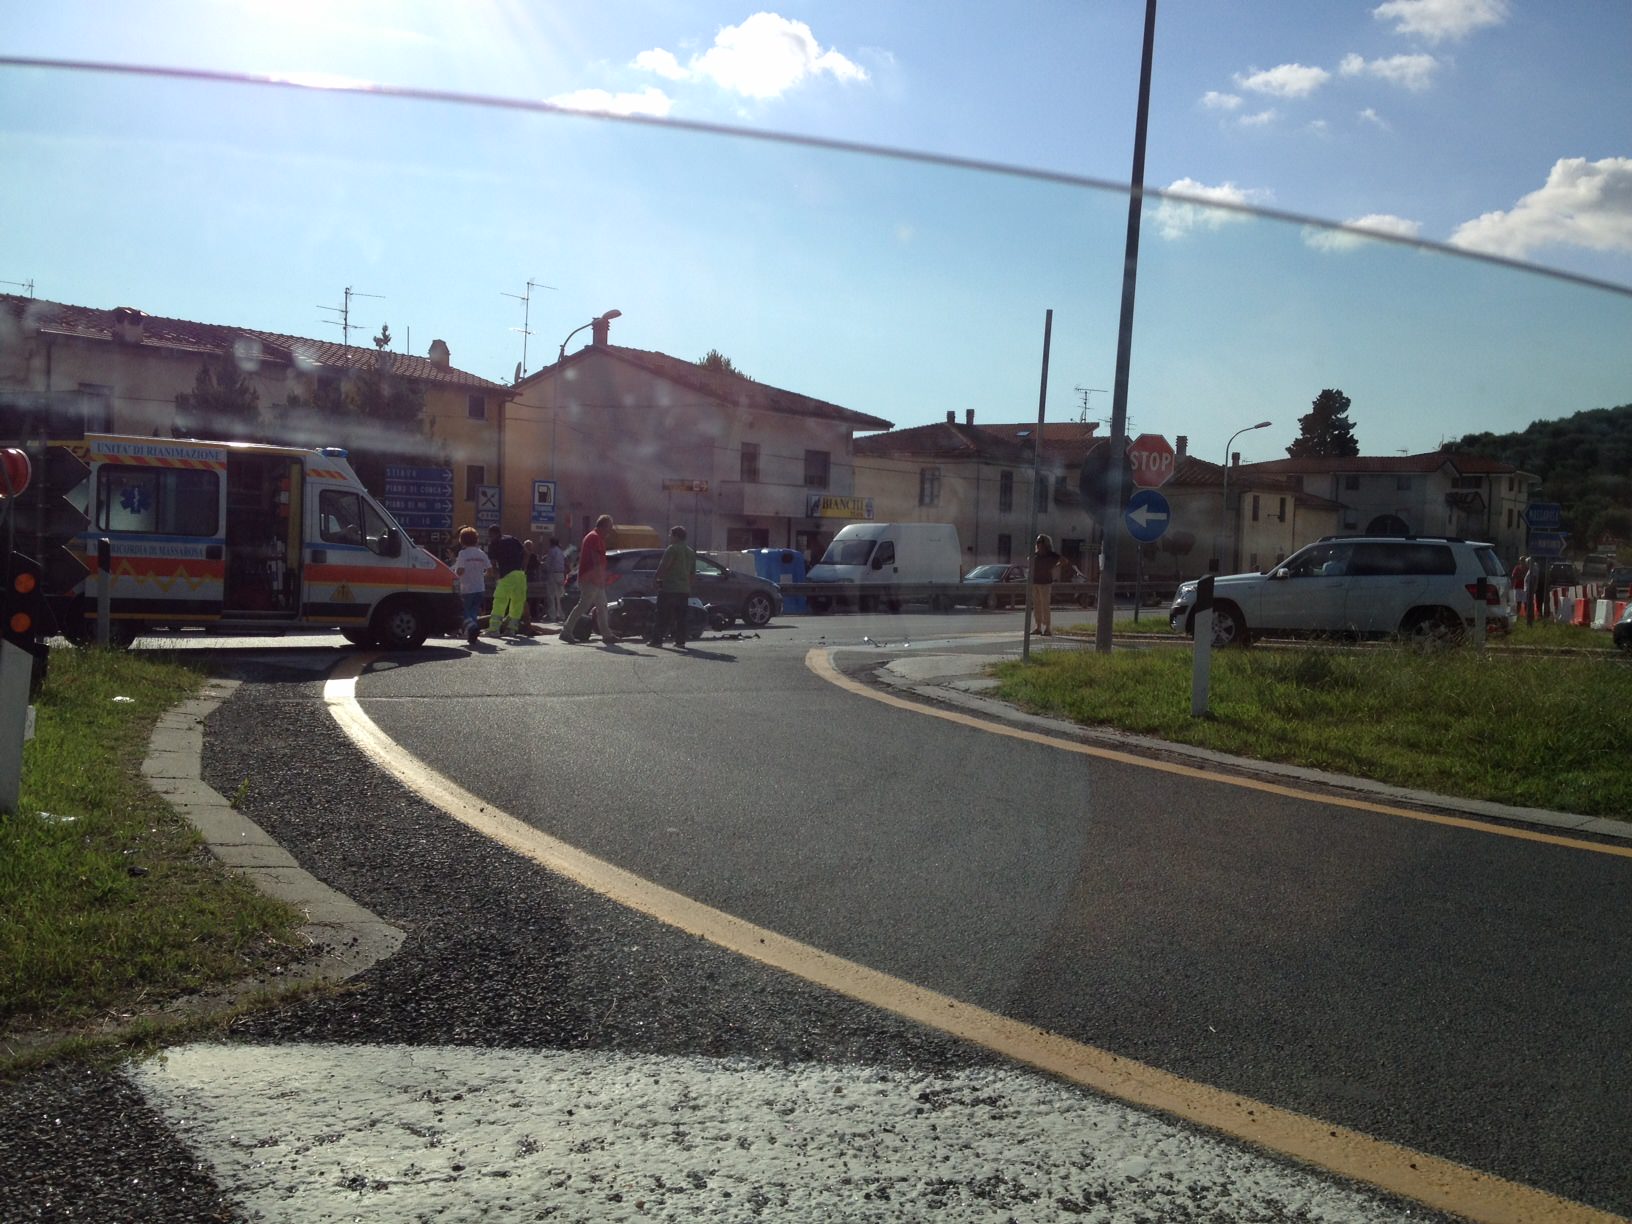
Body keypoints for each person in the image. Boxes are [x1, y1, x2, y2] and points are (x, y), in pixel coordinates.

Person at [560, 514, 620, 644]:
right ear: (604, 526)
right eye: (610, 527)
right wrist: (601, 576)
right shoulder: (595, 538)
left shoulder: (594, 537)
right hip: (591, 579)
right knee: (584, 605)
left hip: (593, 579)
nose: (610, 530)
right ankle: (566, 630)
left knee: (602, 606)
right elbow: (596, 559)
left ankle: (607, 634)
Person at [647, 525, 696, 648]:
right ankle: (680, 641)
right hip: (683, 589)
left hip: (669, 588)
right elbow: (692, 573)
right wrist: (688, 586)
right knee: (681, 617)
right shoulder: (690, 552)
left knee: (662, 615)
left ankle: (657, 640)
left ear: (676, 536)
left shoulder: (672, 549)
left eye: (671, 535)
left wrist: (656, 579)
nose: (669, 537)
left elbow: (664, 566)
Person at [450, 525, 491, 648]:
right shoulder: (481, 554)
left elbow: (460, 571)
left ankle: (472, 628)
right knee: (473, 611)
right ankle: (472, 632)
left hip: (466, 588)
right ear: (476, 539)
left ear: (461, 540)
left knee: (465, 612)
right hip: (480, 587)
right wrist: (481, 574)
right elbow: (490, 571)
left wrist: (455, 574)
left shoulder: (463, 554)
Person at [486, 528, 533, 636]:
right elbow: (527, 552)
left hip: (506, 575)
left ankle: (494, 629)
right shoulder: (512, 539)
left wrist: (496, 575)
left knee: (500, 601)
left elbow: (493, 564)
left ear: (492, 534)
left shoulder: (493, 544)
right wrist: (524, 567)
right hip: (520, 575)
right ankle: (511, 629)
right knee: (517, 602)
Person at [1031, 532, 1060, 636]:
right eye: (1037, 542)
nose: (1038, 544)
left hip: (1045, 583)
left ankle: (1047, 628)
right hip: (1035, 582)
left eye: (1040, 542)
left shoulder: (1051, 555)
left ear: (1045, 543)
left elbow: (1064, 561)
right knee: (1036, 605)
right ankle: (1038, 627)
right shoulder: (1035, 554)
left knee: (1045, 605)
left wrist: (1053, 567)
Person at [544, 536, 567, 622]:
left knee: (551, 595)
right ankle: (561, 615)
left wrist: (544, 565)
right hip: (561, 574)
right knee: (560, 595)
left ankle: (552, 615)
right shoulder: (561, 551)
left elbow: (548, 563)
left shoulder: (552, 550)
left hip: (553, 574)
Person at [1522, 554, 1540, 626]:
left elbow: (1535, 578)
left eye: (1527, 563)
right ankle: (1529, 616)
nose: (1526, 565)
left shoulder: (1534, 568)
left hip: (1530, 588)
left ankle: (1530, 616)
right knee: (1528, 603)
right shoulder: (1531, 568)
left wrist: (1534, 586)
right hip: (1528, 588)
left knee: (1529, 603)